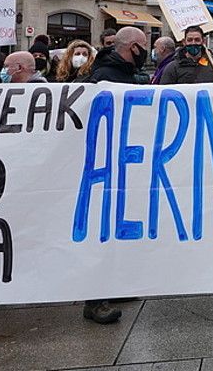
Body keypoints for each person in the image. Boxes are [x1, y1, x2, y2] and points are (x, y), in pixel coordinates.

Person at [74, 26, 150, 325]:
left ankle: (110, 287)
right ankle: (95, 301)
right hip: (104, 166)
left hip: (118, 162)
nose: (146, 51)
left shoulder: (117, 71)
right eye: (143, 46)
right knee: (101, 230)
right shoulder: (106, 75)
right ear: (132, 47)